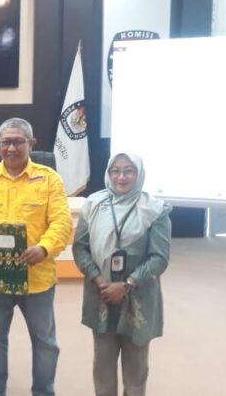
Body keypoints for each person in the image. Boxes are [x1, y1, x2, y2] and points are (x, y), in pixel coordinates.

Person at [0, 117, 72, 396]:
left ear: (31, 143)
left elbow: (61, 222)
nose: (11, 148)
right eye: (6, 142)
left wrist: (44, 248)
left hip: (37, 277)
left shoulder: (49, 179)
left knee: (45, 342)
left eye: (18, 142)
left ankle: (43, 392)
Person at [72, 153, 171, 396]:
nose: (121, 177)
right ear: (108, 173)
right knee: (103, 365)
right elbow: (80, 248)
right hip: (102, 295)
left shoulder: (155, 209)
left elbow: (159, 258)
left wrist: (126, 285)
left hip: (138, 297)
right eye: (115, 170)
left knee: (136, 369)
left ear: (139, 174)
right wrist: (99, 280)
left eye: (129, 171)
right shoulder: (94, 204)